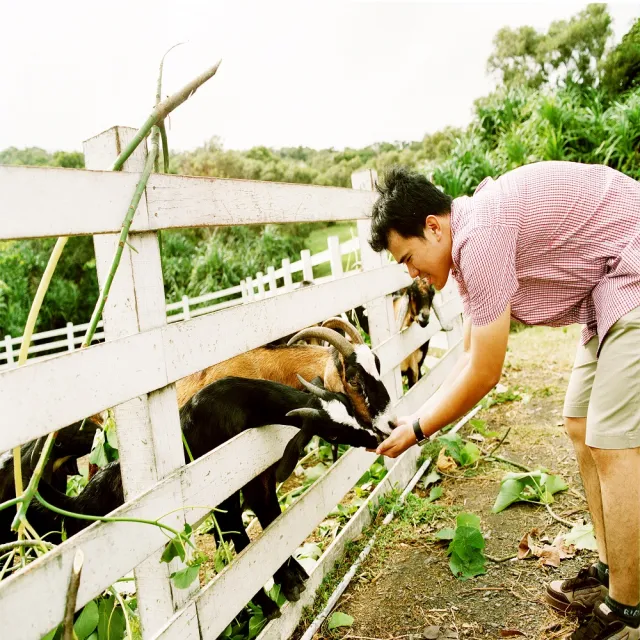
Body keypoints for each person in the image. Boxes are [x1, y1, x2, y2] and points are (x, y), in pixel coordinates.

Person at [368, 162, 640, 639]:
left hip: (631, 265)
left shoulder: (481, 238)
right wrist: (416, 416)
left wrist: (417, 431)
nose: (411, 272)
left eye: (407, 258)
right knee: (579, 422)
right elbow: (471, 354)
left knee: (613, 445)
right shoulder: (469, 238)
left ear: (433, 227)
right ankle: (610, 566)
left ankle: (630, 607)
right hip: (608, 285)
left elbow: (486, 373)